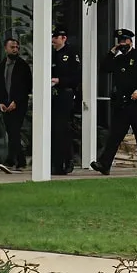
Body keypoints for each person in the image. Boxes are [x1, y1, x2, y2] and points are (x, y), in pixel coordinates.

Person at [92, 27, 137, 176]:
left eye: (124, 41)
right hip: (122, 103)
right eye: (120, 41)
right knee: (115, 135)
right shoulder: (119, 59)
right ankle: (104, 164)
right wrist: (112, 52)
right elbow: (104, 68)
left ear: (130, 41)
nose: (122, 44)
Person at [0, 36, 31, 173]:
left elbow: (27, 86)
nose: (15, 50)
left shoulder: (22, 66)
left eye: (17, 47)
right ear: (5, 48)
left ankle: (12, 161)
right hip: (6, 104)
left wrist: (16, 101)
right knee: (11, 132)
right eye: (12, 47)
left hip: (19, 105)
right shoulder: (1, 66)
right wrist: (1, 102)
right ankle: (18, 161)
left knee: (14, 130)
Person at [49, 27, 81, 175]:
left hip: (66, 94)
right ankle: (55, 164)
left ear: (63, 38)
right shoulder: (51, 54)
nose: (53, 40)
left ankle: (67, 160)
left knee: (62, 129)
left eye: (56, 38)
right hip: (52, 95)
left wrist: (60, 80)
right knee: (54, 129)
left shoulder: (71, 53)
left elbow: (76, 77)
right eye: (53, 37)